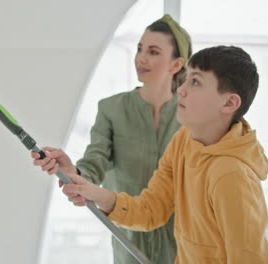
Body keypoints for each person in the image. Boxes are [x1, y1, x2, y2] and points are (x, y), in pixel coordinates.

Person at [61, 45, 268, 263]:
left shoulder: (232, 175)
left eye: (196, 82)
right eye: (186, 78)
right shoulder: (183, 142)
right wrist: (96, 193)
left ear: (229, 103)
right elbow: (151, 210)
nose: (181, 89)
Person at [32, 14, 191, 264]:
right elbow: (94, 163)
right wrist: (72, 171)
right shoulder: (112, 110)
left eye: (153, 51)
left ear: (176, 64)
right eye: (139, 49)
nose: (141, 58)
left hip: (185, 247)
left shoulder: (192, 117)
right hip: (128, 244)